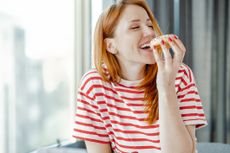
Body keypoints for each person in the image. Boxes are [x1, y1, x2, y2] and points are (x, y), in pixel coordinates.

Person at [73, 0, 207, 153]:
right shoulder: (94, 85)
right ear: (110, 46)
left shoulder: (179, 75)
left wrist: (166, 88)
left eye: (150, 25)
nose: (150, 32)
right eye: (135, 27)